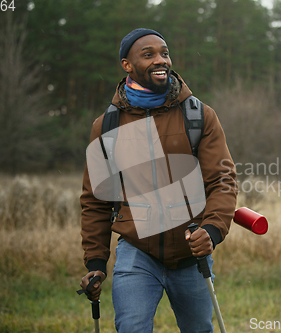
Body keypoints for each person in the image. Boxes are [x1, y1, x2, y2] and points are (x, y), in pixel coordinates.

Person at [79, 28, 237, 332]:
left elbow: (222, 180)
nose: (160, 60)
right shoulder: (107, 126)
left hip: (191, 255)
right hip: (137, 251)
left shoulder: (198, 115)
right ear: (127, 65)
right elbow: (96, 201)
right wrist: (96, 264)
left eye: (164, 52)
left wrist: (212, 230)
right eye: (148, 54)